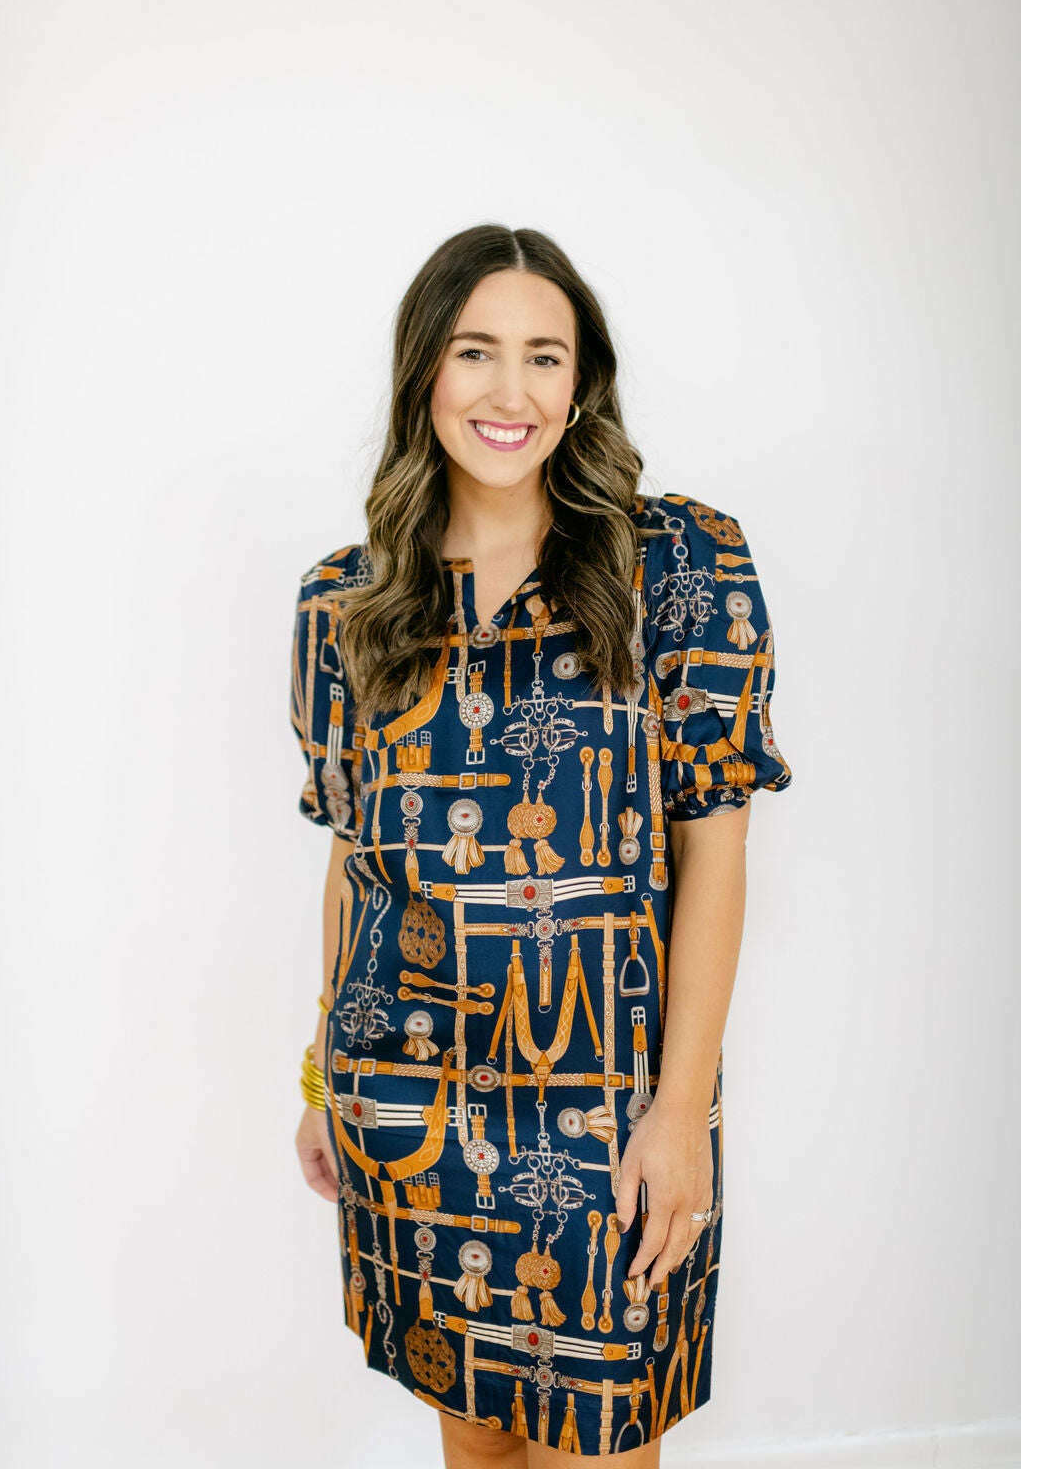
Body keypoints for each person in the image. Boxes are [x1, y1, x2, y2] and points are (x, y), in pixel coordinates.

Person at [289, 224, 792, 1466]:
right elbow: (355, 860)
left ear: (581, 384)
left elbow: (714, 851)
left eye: (544, 357)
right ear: (425, 371)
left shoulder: (678, 564)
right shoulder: (345, 604)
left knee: (602, 1444)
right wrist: (320, 1079)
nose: (509, 391)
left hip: (610, 1110)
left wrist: (681, 1115)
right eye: (475, 352)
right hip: (408, 1103)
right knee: (476, 1449)